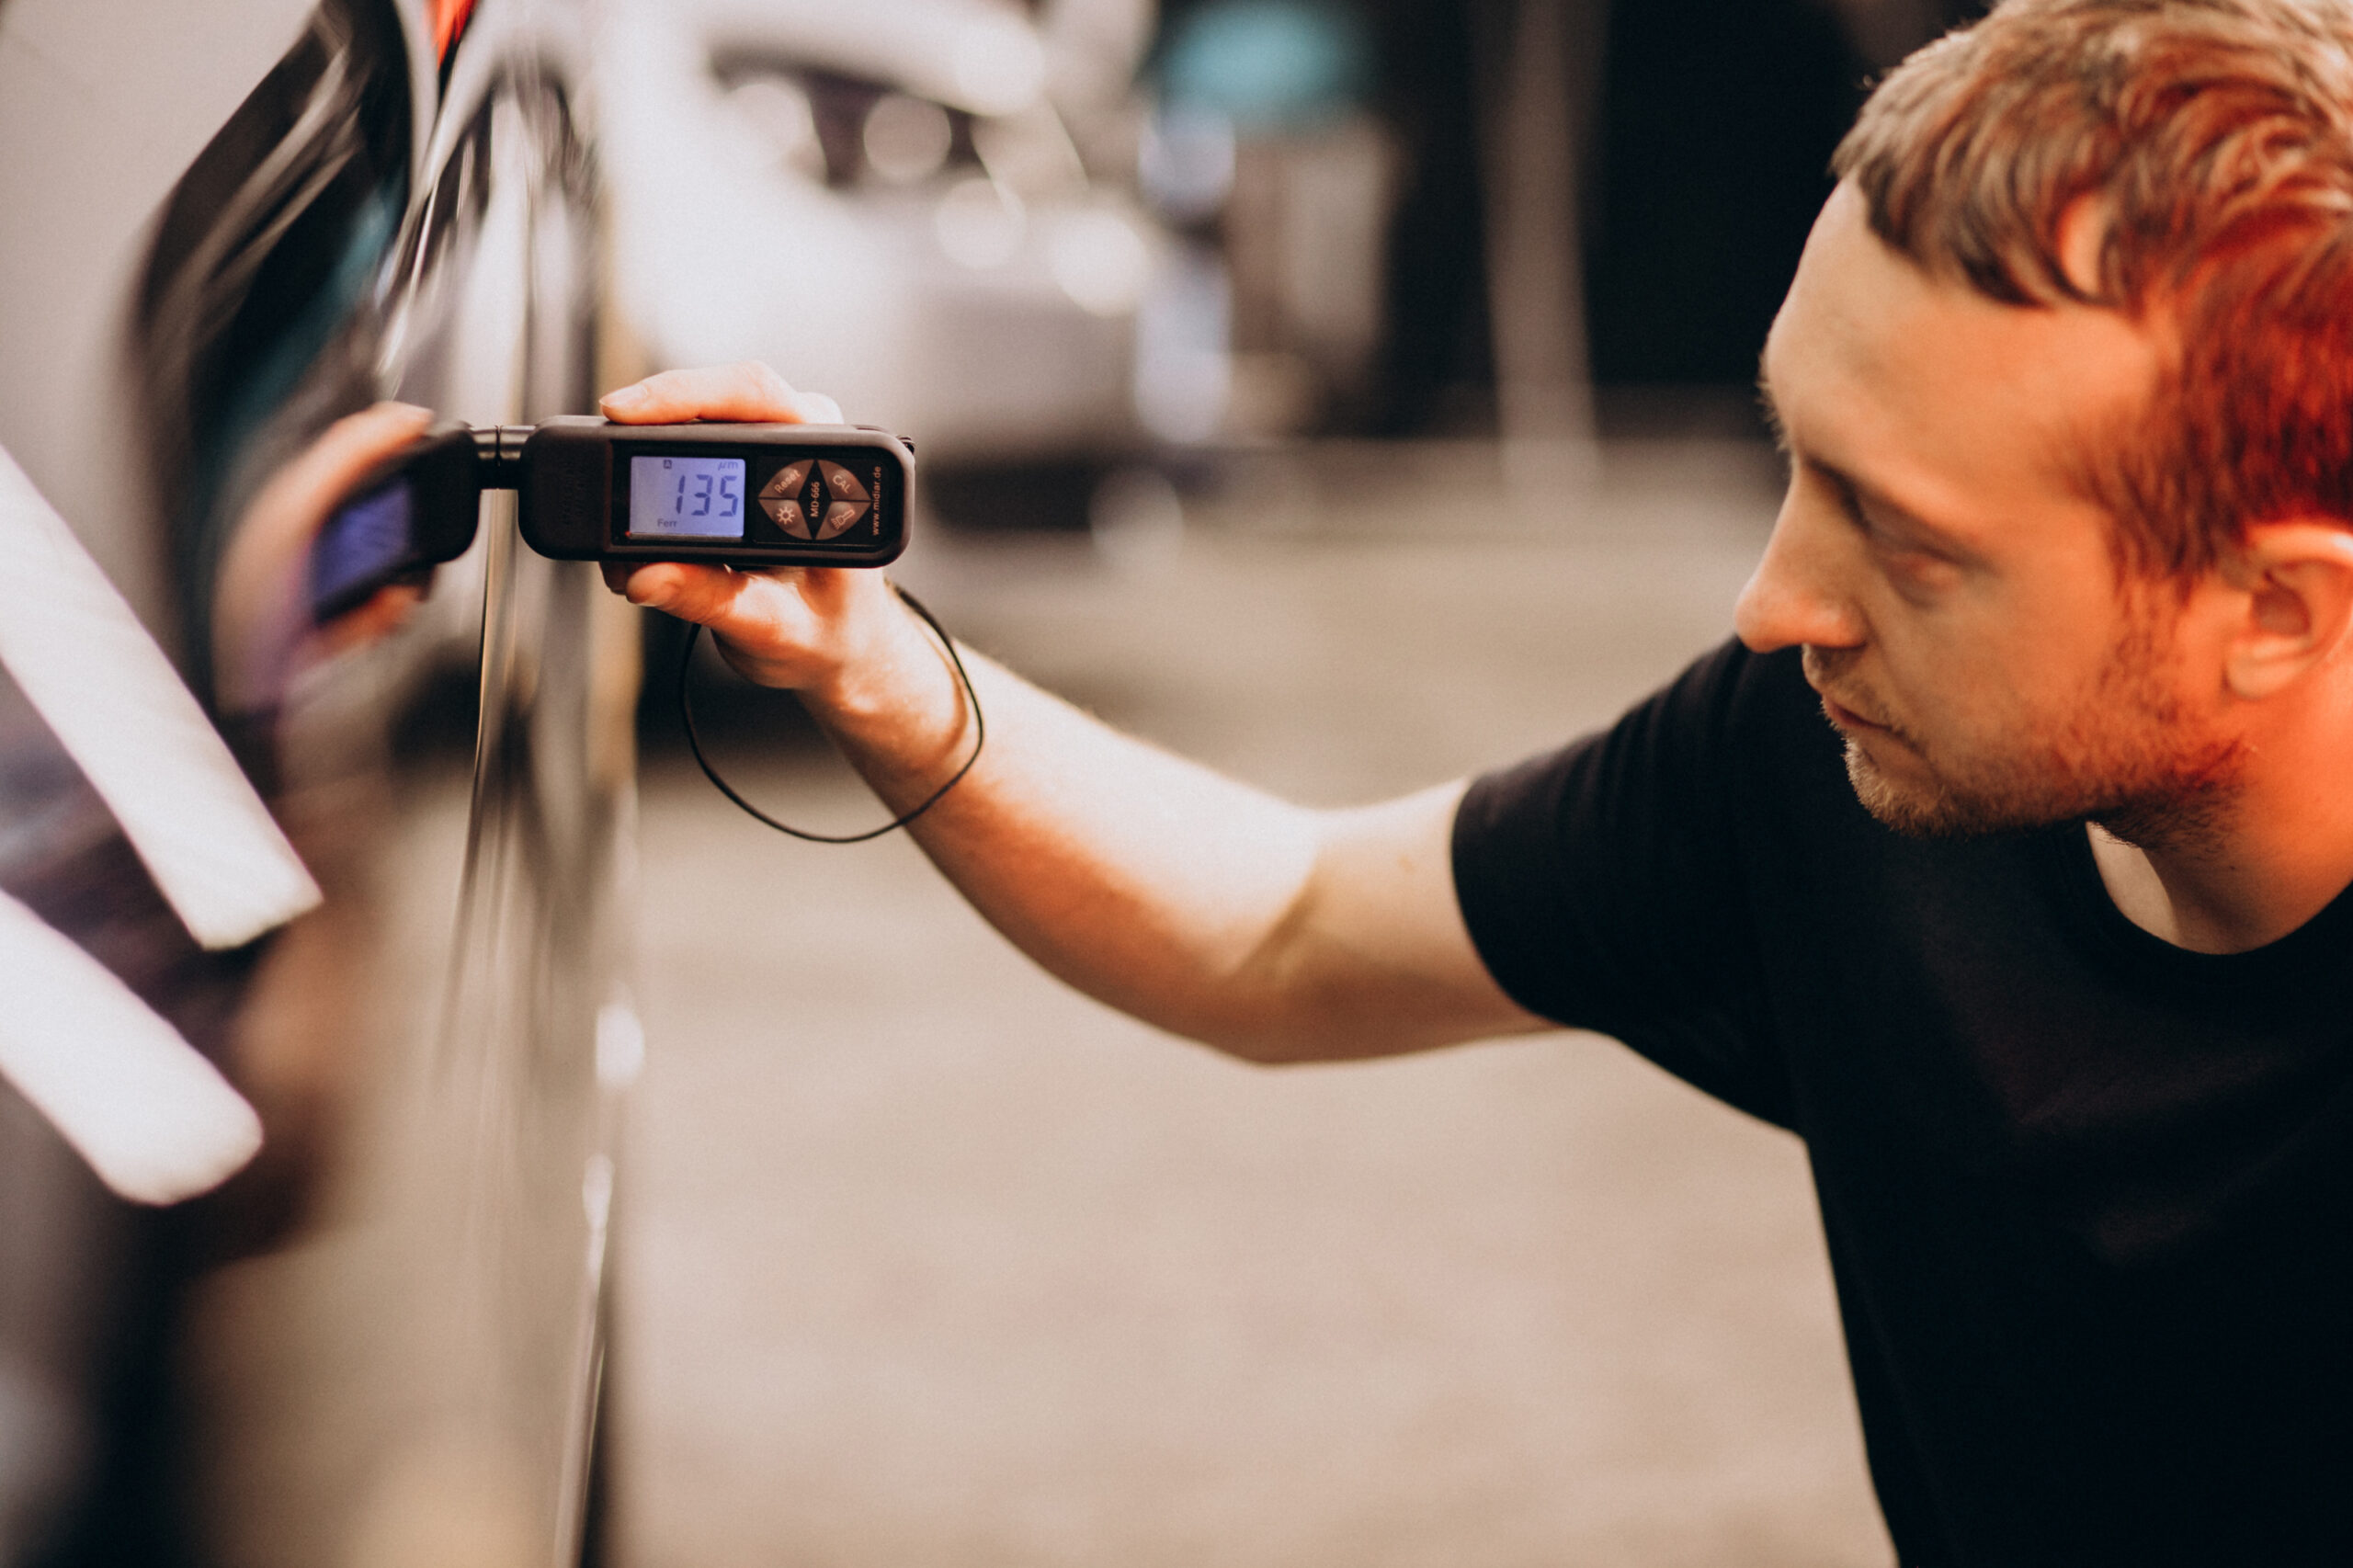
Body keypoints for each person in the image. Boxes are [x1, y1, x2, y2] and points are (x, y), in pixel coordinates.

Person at [597, 1, 2353, 1561]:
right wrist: (880, 664)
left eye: (1908, 540)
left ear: (2271, 610)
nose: (1774, 603)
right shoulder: (1818, 755)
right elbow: (1277, 928)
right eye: (1795, 457)